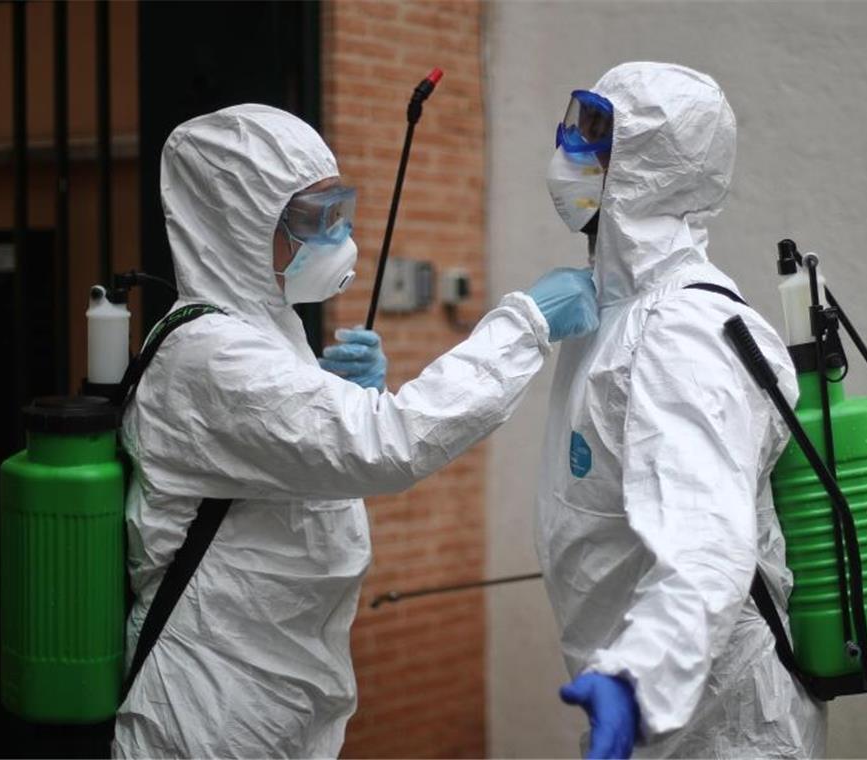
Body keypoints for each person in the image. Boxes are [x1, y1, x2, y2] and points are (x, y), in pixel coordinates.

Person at [112, 103, 598, 758]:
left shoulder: (264, 330)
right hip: (208, 704)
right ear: (238, 225)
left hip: (277, 684)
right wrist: (526, 324)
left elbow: (302, 461)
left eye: (337, 208)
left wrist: (343, 393)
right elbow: (388, 443)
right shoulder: (209, 354)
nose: (336, 234)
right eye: (312, 219)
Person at [537, 62, 828, 758]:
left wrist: (636, 679)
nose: (571, 147)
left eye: (597, 132)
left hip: (725, 725)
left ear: (648, 168)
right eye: (578, 122)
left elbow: (709, 542)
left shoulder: (680, 331)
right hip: (672, 712)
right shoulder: (619, 314)